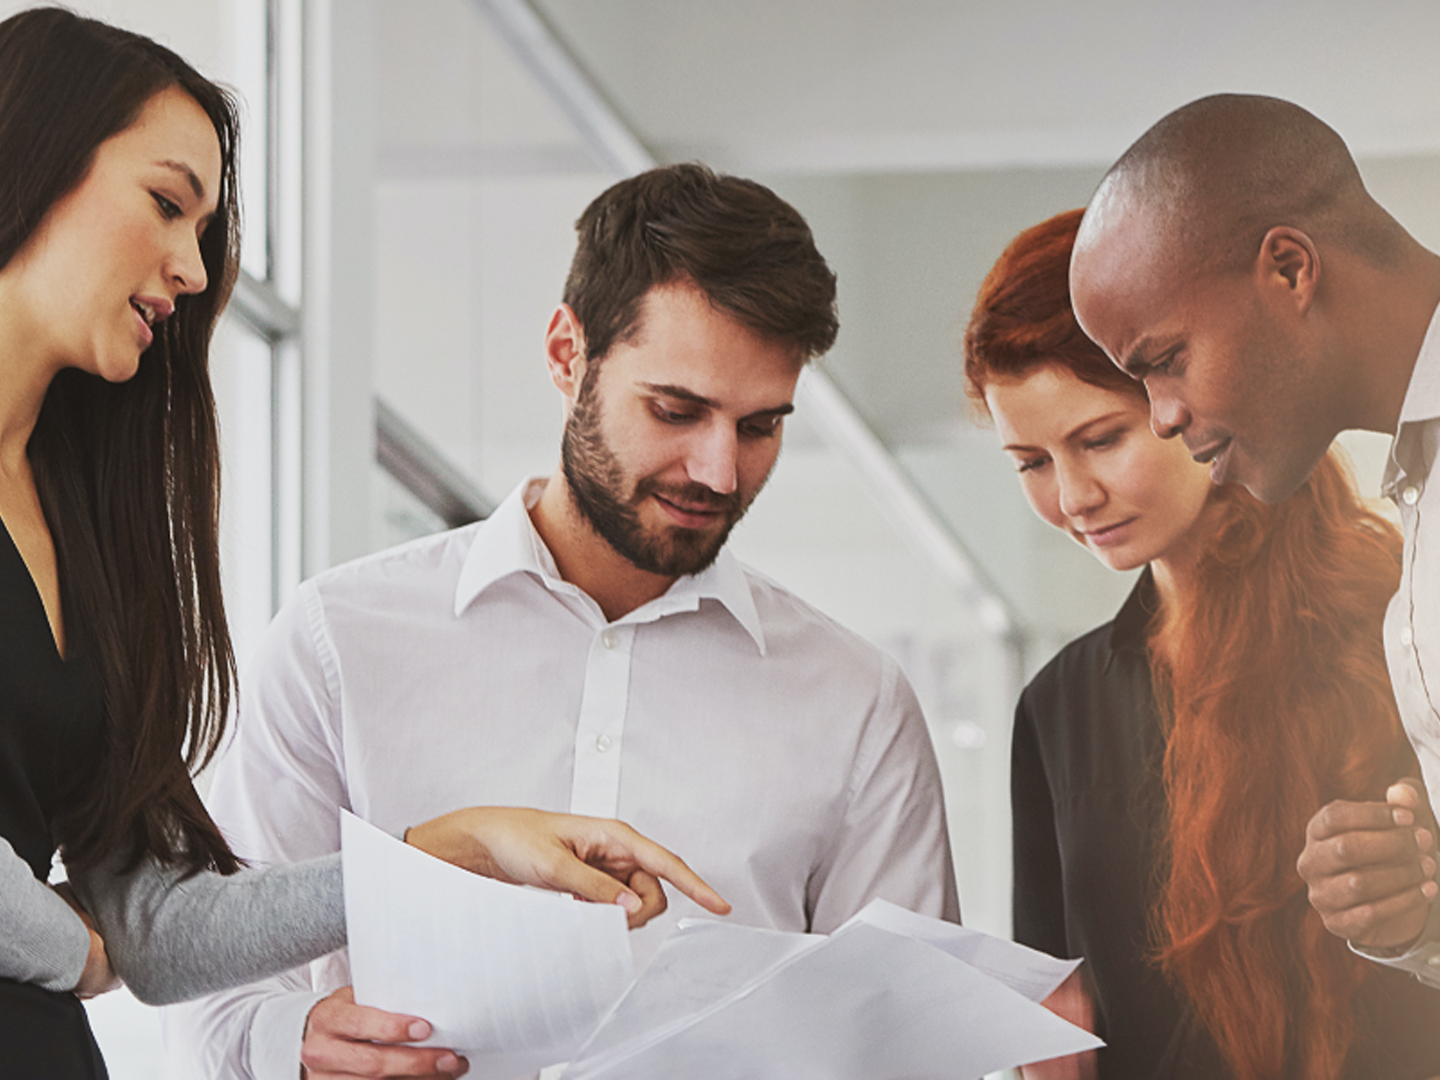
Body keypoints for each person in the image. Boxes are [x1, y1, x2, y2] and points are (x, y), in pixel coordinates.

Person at [0, 9, 727, 1079]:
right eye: (165, 204)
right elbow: (93, 944)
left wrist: (451, 850)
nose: (195, 270)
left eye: (203, 230)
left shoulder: (89, 533)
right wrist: (72, 950)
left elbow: (155, 927)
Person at [164, 162, 959, 1080]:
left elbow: (912, 1047)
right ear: (565, 354)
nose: (718, 472)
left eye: (759, 427)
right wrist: (293, 1046)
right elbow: (208, 989)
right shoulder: (339, 640)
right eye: (676, 410)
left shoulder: (856, 703)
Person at [964, 208, 1440, 1079]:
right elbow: (1052, 1004)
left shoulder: (1403, 627)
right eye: (1030, 462)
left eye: (1100, 439)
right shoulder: (1060, 705)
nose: (1072, 497)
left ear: (1187, 398)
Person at [1067, 93, 1440, 982]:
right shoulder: (1417, 493)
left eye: (1163, 360)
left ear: (1288, 269)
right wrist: (1416, 918)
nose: (1162, 418)